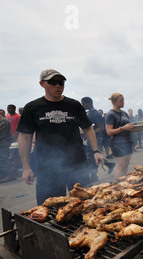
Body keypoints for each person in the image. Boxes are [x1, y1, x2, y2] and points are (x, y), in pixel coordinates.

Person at [17, 69, 104, 205]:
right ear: (42, 84)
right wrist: (26, 167)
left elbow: (87, 128)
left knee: (84, 205)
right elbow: (25, 137)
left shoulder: (74, 105)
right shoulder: (32, 108)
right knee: (49, 208)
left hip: (77, 164)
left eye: (61, 82)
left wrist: (96, 151)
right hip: (48, 167)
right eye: (53, 82)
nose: (58, 86)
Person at [81, 97, 111, 182]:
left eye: (83, 104)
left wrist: (90, 133)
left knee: (92, 156)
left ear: (89, 103)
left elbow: (101, 128)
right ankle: (109, 164)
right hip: (92, 137)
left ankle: (94, 175)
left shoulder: (95, 114)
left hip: (97, 138)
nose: (83, 105)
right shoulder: (89, 113)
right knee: (90, 155)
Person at [105, 93, 134, 179]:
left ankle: (123, 185)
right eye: (121, 101)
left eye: (123, 100)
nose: (123, 102)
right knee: (121, 167)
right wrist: (123, 128)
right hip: (117, 143)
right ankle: (117, 186)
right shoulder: (110, 114)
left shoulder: (124, 113)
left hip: (127, 141)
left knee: (125, 166)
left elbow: (127, 126)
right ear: (114, 102)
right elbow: (109, 132)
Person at [0, 112, 14, 183]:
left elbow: (2, 135)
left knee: (3, 159)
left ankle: (8, 175)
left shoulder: (3, 122)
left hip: (3, 144)